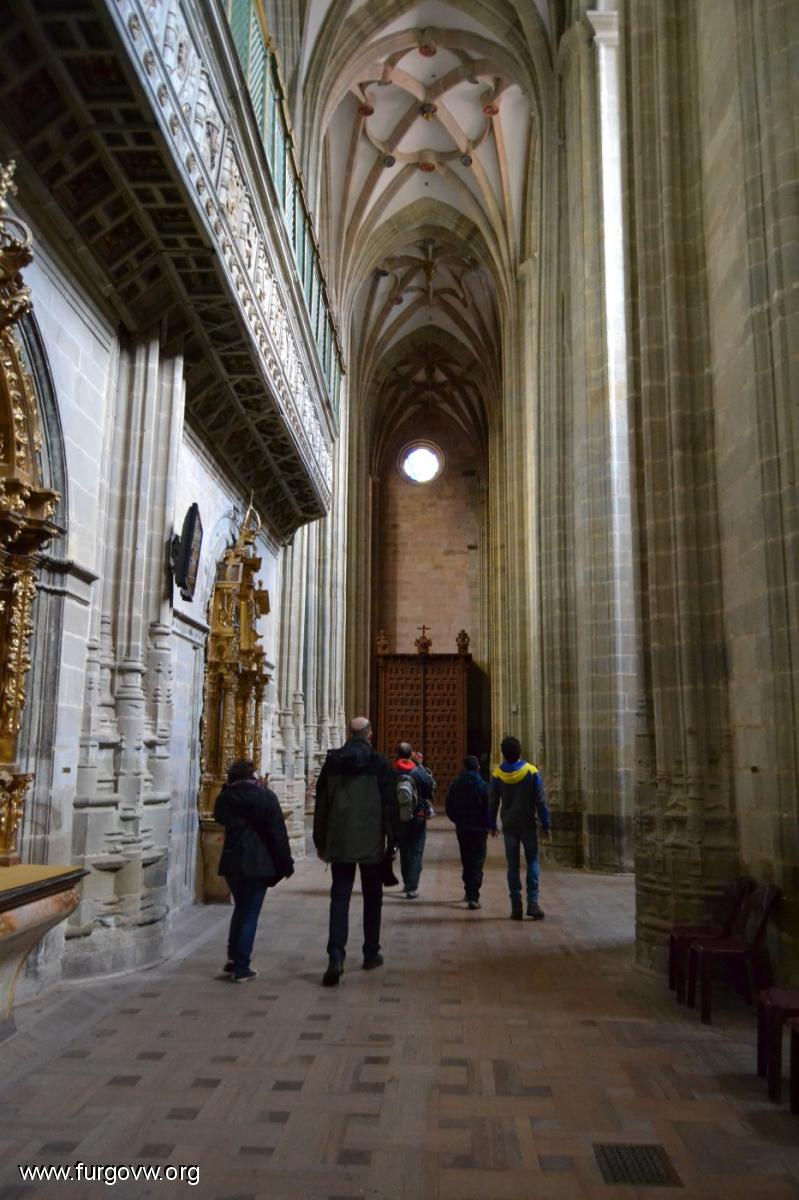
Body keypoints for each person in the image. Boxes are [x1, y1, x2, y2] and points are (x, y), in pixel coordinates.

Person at [313, 716, 396, 986]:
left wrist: (320, 841)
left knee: (340, 897)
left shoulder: (333, 761)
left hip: (340, 839)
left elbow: (322, 803)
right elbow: (389, 805)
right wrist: (392, 842)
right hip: (371, 841)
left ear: (349, 733)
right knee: (373, 897)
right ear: (369, 734)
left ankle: (335, 957)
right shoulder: (379, 762)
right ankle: (371, 953)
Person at [214, 759, 294, 981]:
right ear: (253, 775)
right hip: (258, 862)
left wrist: (226, 789)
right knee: (250, 914)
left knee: (240, 908)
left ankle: (233, 958)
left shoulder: (226, 797)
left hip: (232, 861)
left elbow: (219, 816)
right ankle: (242, 967)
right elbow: (278, 834)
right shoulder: (266, 797)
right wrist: (286, 863)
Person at [489, 736, 551, 920]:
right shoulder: (531, 771)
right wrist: (545, 823)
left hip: (509, 825)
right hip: (528, 824)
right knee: (532, 861)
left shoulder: (497, 774)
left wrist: (491, 824)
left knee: (512, 866)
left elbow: (492, 802)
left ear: (503, 753)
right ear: (519, 751)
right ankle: (533, 903)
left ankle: (516, 906)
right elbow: (540, 801)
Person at [445, 754, 491, 909]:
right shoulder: (484, 786)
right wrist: (487, 825)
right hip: (479, 830)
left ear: (463, 767)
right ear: (478, 767)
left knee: (466, 860)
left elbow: (449, 805)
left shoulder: (456, 784)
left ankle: (468, 890)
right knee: (477, 862)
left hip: (463, 828)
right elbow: (489, 809)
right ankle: (473, 896)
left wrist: (457, 820)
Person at [393, 741, 434, 898]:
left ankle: (406, 883)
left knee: (404, 848)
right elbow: (429, 791)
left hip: (399, 817)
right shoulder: (419, 772)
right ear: (411, 754)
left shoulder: (392, 771)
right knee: (416, 850)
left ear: (397, 754)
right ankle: (412, 886)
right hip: (418, 815)